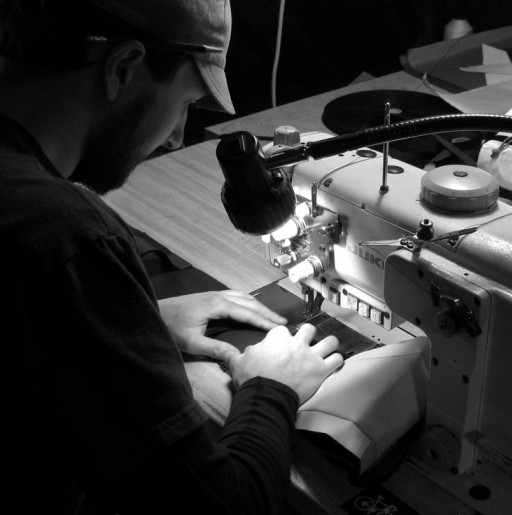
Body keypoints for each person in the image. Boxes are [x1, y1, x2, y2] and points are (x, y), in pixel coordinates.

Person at [0, 0, 344, 513]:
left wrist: (129, 322)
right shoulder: (63, 238)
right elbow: (225, 506)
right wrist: (271, 388)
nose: (179, 137)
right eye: (184, 104)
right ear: (122, 68)